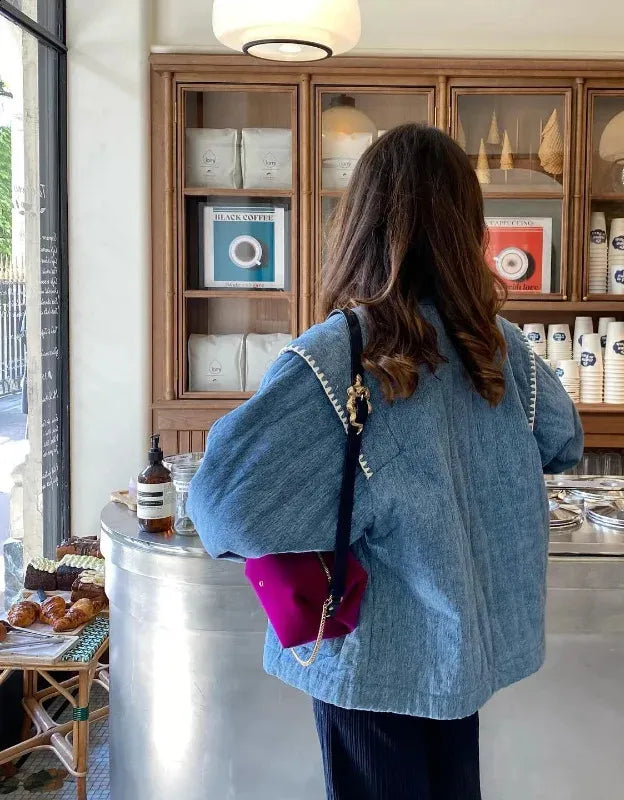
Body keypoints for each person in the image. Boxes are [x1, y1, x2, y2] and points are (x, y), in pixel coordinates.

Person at [188, 123, 583, 800]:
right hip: (463, 653)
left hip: (373, 655)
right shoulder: (498, 348)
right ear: (469, 229)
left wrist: (332, 504)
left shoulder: (341, 353)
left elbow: (224, 507)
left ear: (359, 224)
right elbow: (563, 440)